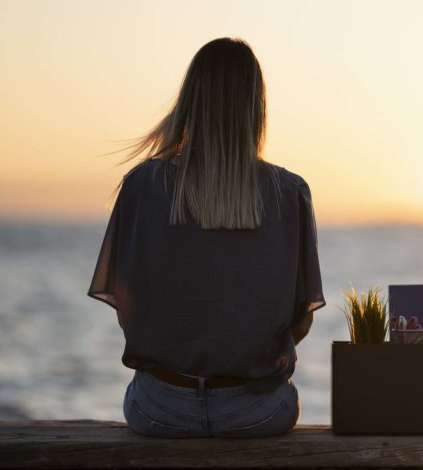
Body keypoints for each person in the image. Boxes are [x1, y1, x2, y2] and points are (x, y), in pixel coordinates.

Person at [86, 37, 326, 438]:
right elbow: (299, 319)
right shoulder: (289, 192)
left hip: (160, 407)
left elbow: (127, 306)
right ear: (256, 107)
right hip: (257, 411)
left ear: (189, 102)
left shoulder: (143, 185)